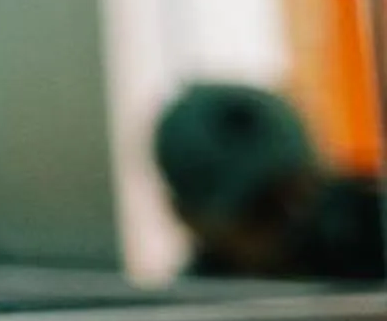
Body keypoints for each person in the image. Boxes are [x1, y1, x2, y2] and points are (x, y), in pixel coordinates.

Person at [153, 80, 386, 281]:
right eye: (265, 210)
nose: (297, 219)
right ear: (188, 217)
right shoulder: (198, 315)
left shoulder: (369, 230)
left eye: (305, 191)